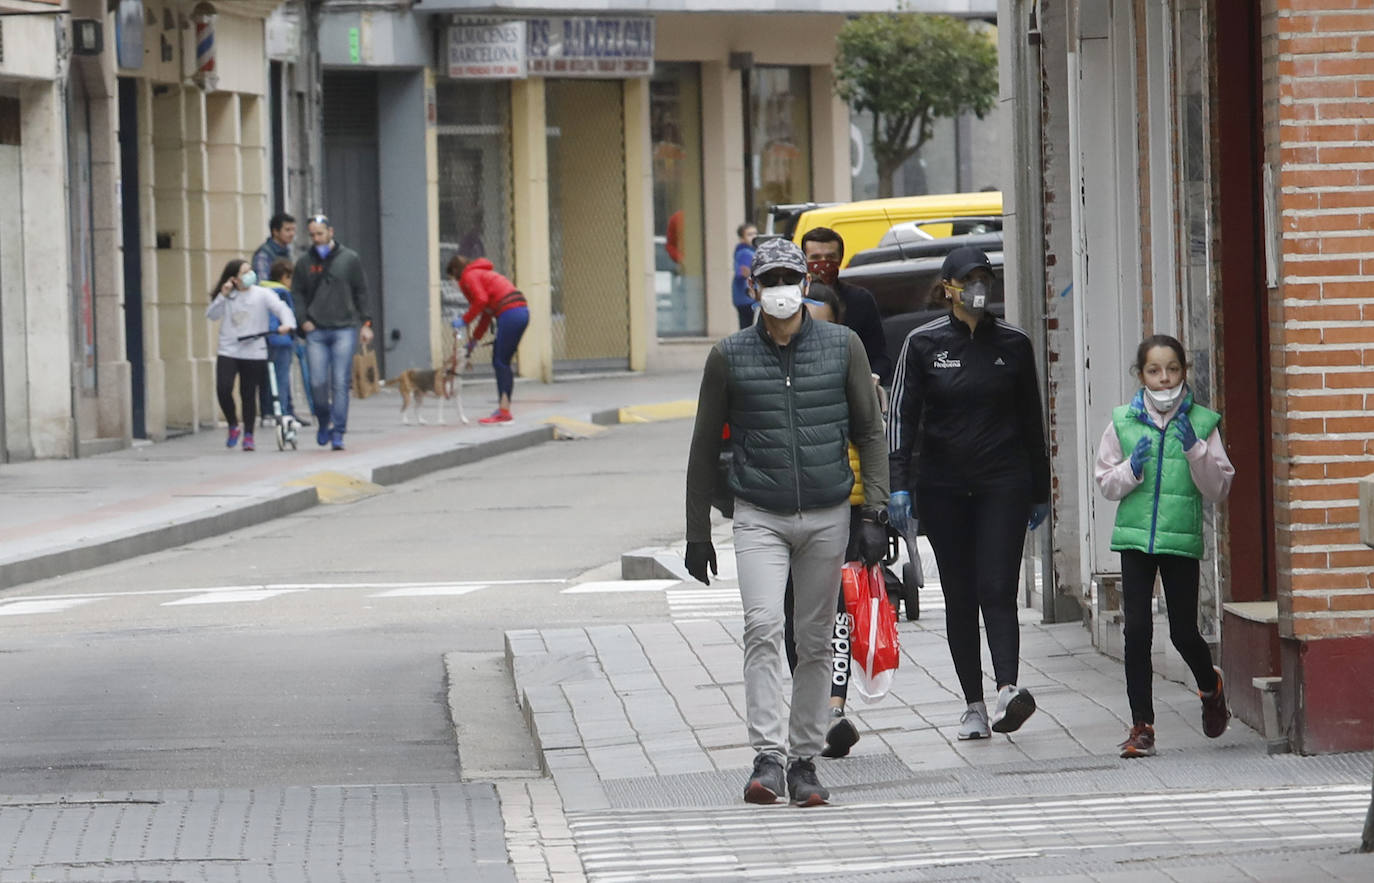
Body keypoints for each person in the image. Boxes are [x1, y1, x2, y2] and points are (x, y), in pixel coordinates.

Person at [684, 239, 889, 808]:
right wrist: (697, 530)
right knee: (761, 626)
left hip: (827, 513)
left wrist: (873, 511)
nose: (779, 289)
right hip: (759, 515)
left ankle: (804, 760)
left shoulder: (843, 346)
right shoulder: (729, 356)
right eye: (768, 279)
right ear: (753, 288)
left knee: (816, 638)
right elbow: (703, 448)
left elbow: (870, 433)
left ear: (803, 284)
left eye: (787, 278)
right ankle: (766, 757)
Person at [886, 245, 1050, 740]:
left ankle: (1006, 690)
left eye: (986, 278)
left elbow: (1031, 420)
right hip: (943, 486)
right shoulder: (922, 344)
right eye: (969, 279)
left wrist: (1039, 489)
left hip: (1004, 481)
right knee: (959, 596)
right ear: (948, 287)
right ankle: (973, 705)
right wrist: (899, 487)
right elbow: (902, 418)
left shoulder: (1014, 344)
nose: (979, 288)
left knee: (996, 588)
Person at [1094, 334, 1234, 758]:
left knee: (1183, 631)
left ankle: (1210, 687)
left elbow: (1218, 488)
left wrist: (1195, 451)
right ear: (1141, 375)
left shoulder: (1204, 423)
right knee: (1136, 631)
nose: (1164, 378)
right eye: (1154, 370)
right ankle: (1143, 727)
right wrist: (1130, 470)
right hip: (1136, 540)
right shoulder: (1122, 421)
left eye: (1172, 369)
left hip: (1179, 539)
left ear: (1183, 372)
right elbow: (1106, 482)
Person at [780, 283, 881, 759]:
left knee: (836, 612)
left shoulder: (855, 373)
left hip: (845, 508)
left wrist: (877, 512)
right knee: (791, 615)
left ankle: (833, 709)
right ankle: (815, 705)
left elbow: (873, 442)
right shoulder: (776, 374)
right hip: (784, 509)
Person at [291, 213, 372, 451]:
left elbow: (362, 291)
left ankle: (338, 431)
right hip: (316, 329)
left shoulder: (349, 259)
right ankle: (323, 419)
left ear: (330, 232)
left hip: (344, 329)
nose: (316, 238)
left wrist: (366, 323)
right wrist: (302, 320)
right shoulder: (305, 262)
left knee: (339, 381)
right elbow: (297, 293)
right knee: (317, 382)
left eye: (320, 233)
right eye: (312, 234)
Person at [206, 259, 295, 452]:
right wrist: (223, 295)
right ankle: (233, 425)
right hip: (229, 349)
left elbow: (281, 308)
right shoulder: (228, 296)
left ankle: (248, 435)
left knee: (248, 394)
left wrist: (286, 324)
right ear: (234, 279)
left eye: (250, 271)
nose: (250, 275)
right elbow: (212, 315)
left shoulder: (262, 294)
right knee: (223, 388)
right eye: (244, 272)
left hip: (254, 349)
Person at [799, 226, 891, 385]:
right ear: (804, 260)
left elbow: (879, 357)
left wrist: (873, 378)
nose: (823, 264)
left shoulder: (860, 300)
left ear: (840, 259)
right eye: (815, 258)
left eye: (830, 257)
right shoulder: (795, 302)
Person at [450, 254, 529, 425]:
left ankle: (504, 412)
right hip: (519, 312)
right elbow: (486, 314)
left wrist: (464, 320)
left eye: (451, 279)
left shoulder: (469, 277)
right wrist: (473, 342)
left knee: (500, 362)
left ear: (455, 272)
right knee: (501, 360)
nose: (454, 285)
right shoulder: (480, 274)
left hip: (510, 313)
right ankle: (504, 409)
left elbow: (481, 300)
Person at [259, 258, 311, 427]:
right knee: (282, 379)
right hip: (283, 339)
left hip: (264, 340)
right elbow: (291, 315)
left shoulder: (261, 291)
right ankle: (283, 413)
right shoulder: (283, 293)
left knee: (267, 378)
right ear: (284, 277)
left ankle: (268, 412)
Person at [252, 212, 295, 284]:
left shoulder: (288, 252)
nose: (292, 234)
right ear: (275, 231)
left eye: (293, 230)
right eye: (287, 230)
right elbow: (262, 282)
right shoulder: (264, 254)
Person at [732, 223, 757, 329]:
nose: (754, 236)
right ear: (742, 238)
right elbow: (742, 273)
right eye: (749, 234)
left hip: (744, 297)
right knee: (747, 326)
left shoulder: (749, 251)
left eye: (755, 233)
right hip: (746, 297)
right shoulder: (745, 252)